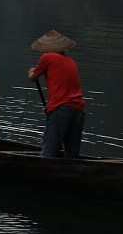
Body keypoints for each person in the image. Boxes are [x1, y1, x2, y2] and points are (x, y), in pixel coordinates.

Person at [27, 29, 85, 158]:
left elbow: (32, 77)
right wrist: (49, 106)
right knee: (72, 155)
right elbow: (65, 89)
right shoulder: (71, 61)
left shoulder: (47, 57)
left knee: (48, 153)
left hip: (61, 109)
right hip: (78, 109)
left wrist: (31, 71)